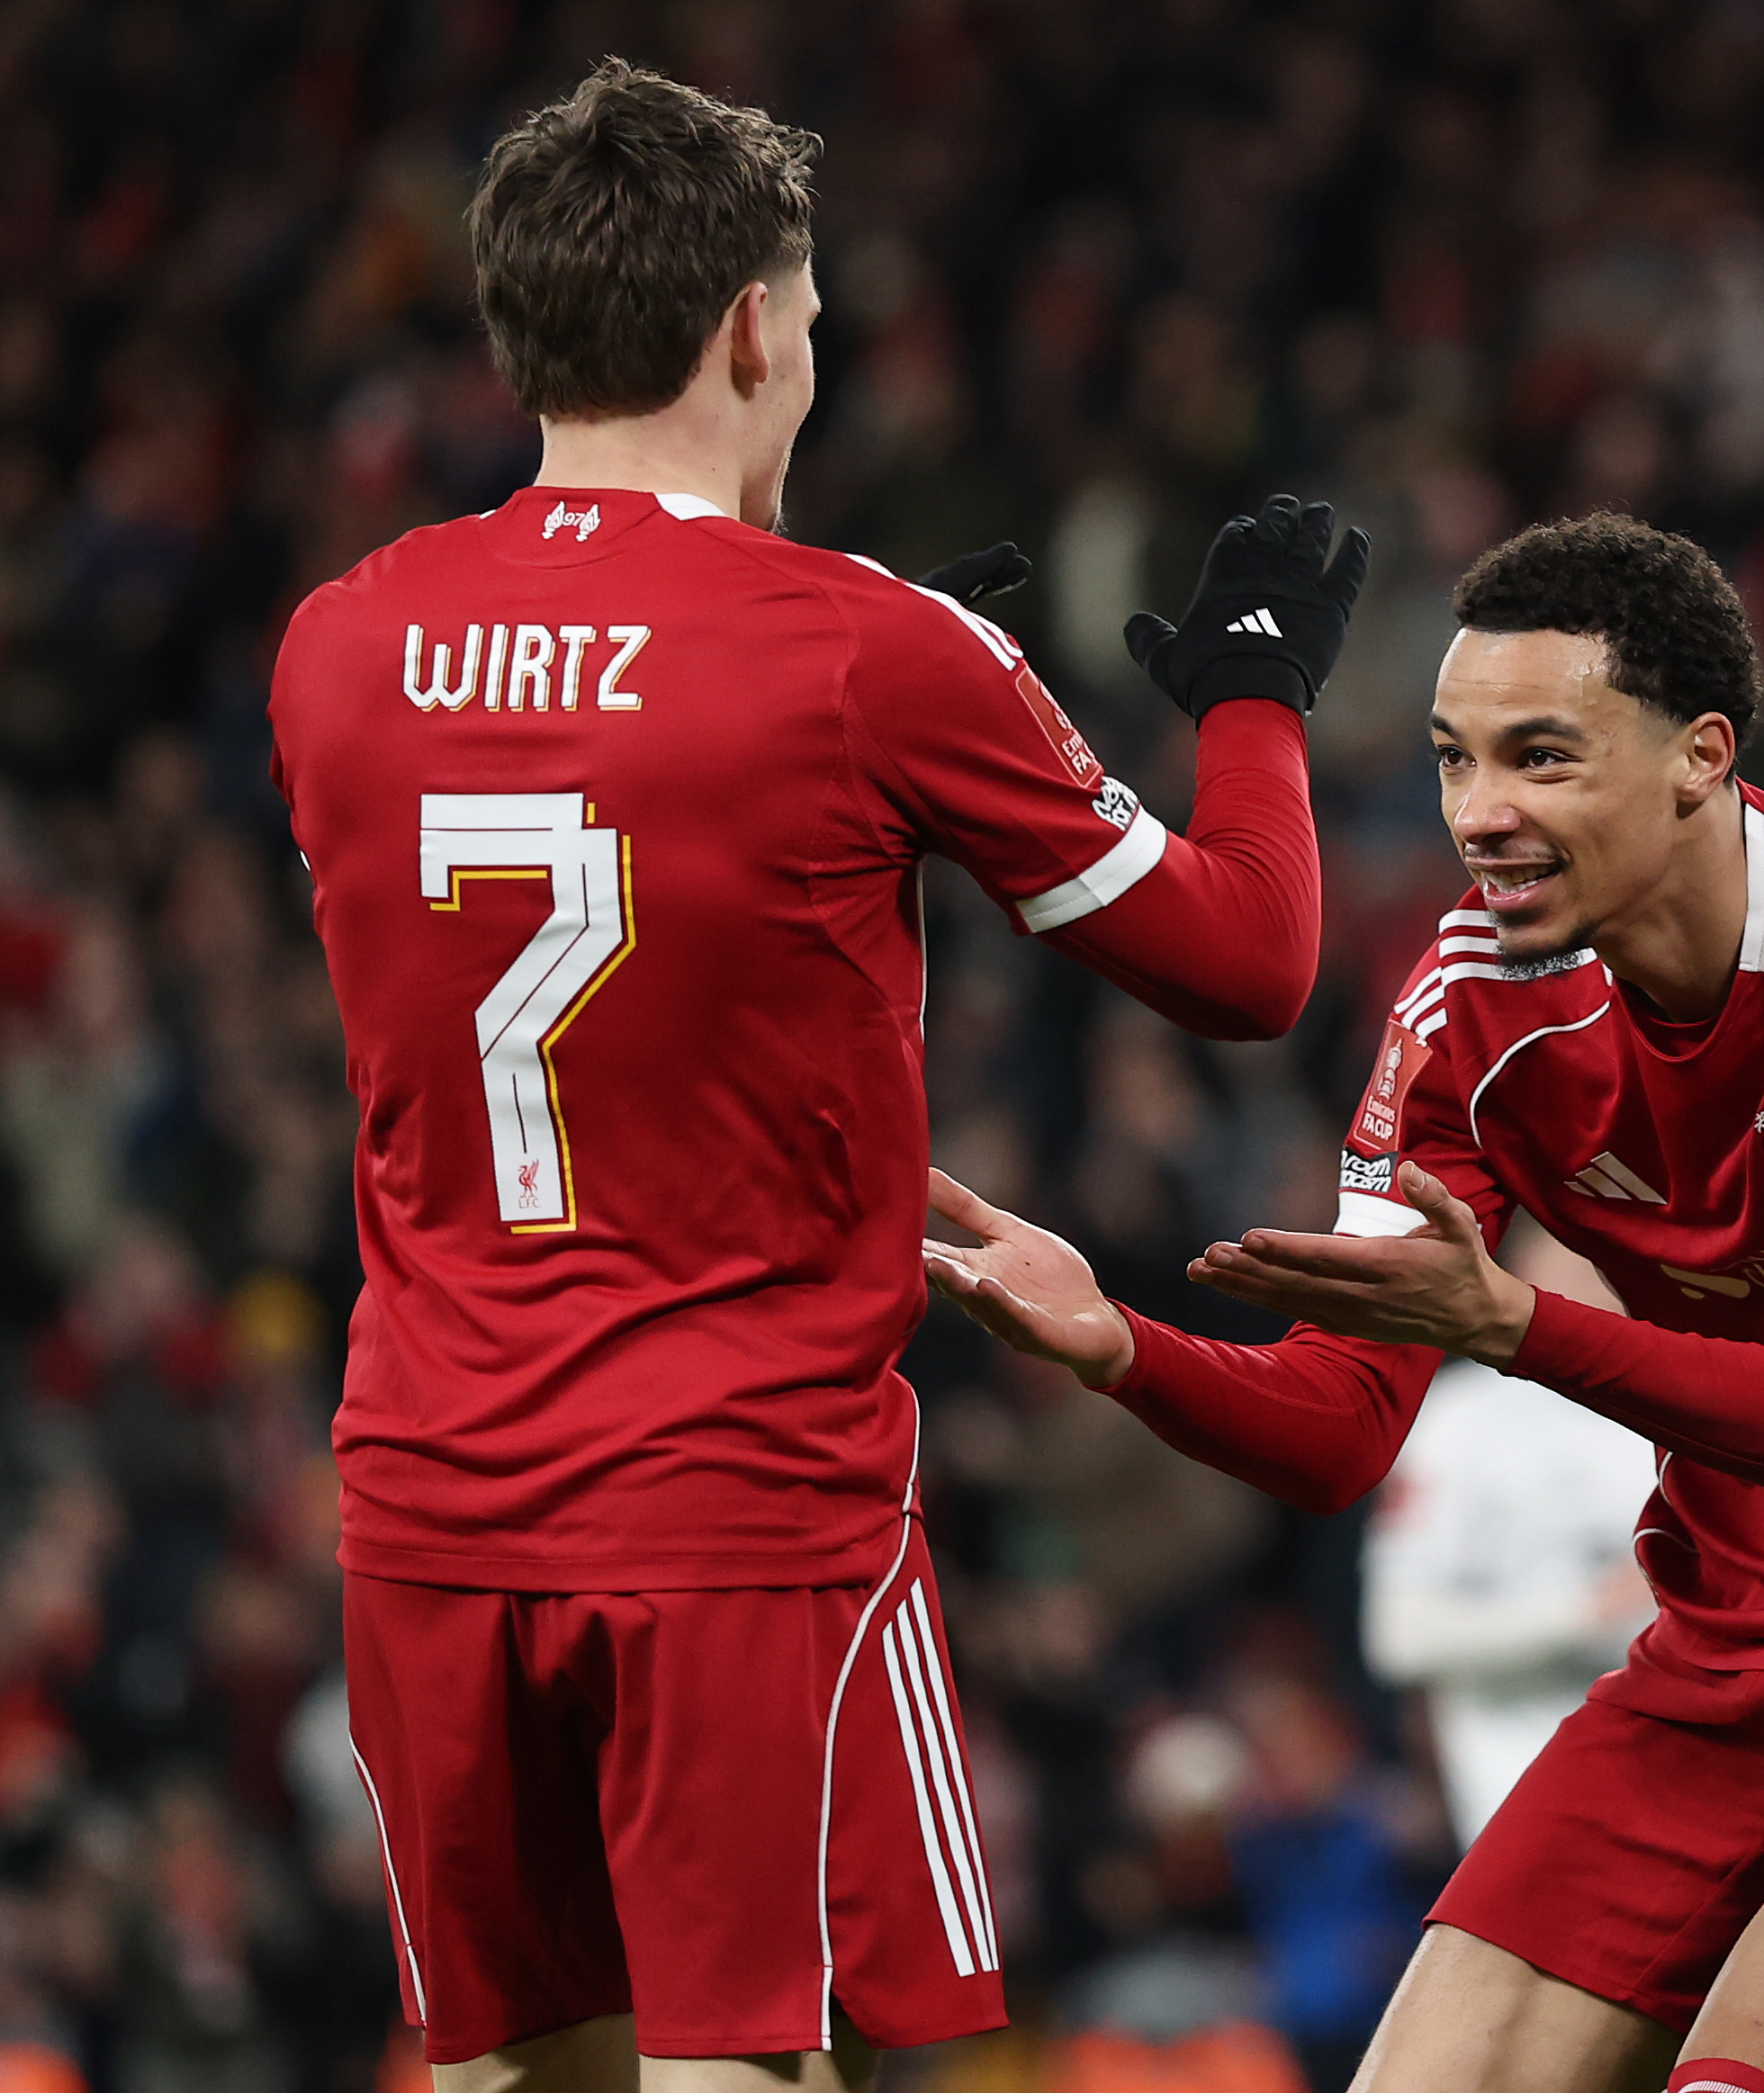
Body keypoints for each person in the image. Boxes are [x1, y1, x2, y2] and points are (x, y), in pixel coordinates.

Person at [265, 61, 1370, 2093]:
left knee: (517, 2073)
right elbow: (1250, 961)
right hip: (736, 1493)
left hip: (428, 1489)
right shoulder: (868, 650)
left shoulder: (340, 636)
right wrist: (1248, 701)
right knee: (739, 2066)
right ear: (755, 326)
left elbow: (604, 786)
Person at [925, 512, 1764, 2093]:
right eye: (1453, 760)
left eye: (1538, 758)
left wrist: (1517, 1333)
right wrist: (1124, 1348)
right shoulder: (1466, 1008)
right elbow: (1340, 1431)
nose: (1477, 814)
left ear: (1698, 757)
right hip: (1732, 1630)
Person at [1362, 1236, 1660, 1846]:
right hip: (1526, 1801)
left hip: (1694, 1783)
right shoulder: (1458, 1420)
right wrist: (1581, 1613)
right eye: (1577, 1254)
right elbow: (1398, 1634)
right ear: (1522, 1267)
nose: (1600, 1276)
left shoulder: (1694, 1398)